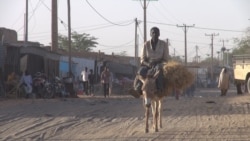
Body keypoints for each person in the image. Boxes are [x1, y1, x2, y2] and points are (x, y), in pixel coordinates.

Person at [130, 27, 169, 98]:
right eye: (153, 32)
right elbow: (142, 59)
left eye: (156, 32)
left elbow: (165, 59)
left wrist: (160, 64)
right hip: (148, 64)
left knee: (158, 72)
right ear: (150, 34)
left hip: (159, 63)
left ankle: (160, 90)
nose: (155, 34)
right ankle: (137, 90)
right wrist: (148, 64)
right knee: (141, 71)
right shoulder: (146, 44)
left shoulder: (164, 44)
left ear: (159, 34)